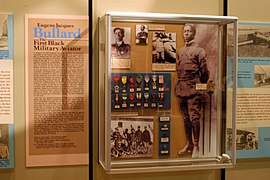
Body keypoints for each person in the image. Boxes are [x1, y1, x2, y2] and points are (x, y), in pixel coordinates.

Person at [176, 24, 209, 158]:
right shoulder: (179, 50)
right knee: (185, 118)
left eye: (189, 31)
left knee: (194, 118)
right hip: (181, 88)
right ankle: (189, 144)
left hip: (194, 89)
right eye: (185, 31)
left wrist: (199, 85)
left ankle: (196, 145)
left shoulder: (199, 51)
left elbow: (205, 72)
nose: (186, 33)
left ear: (193, 33)